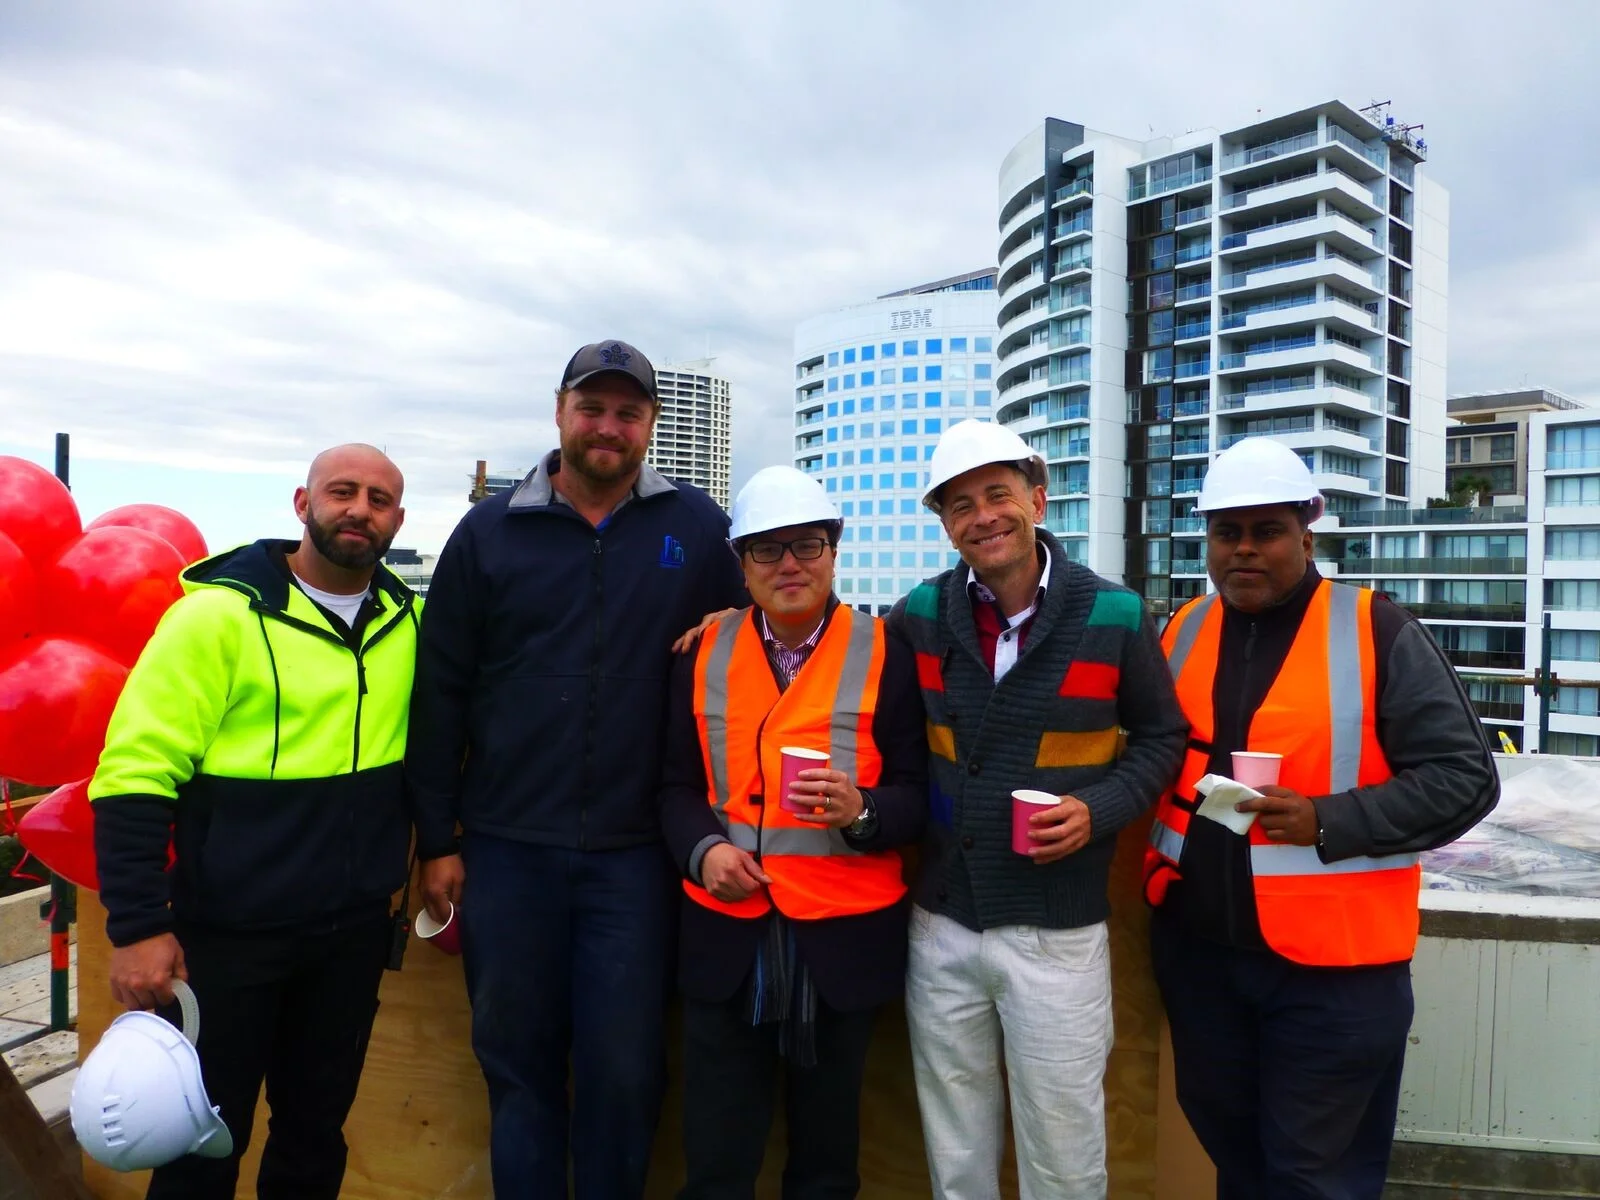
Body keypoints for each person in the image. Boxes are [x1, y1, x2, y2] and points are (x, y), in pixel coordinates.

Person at [406, 340, 747, 1198]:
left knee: (625, 1073)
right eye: (591, 408)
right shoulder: (489, 532)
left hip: (638, 856)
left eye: (628, 413)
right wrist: (438, 836)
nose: (608, 427)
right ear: (559, 412)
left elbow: (758, 654)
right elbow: (440, 692)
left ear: (651, 427)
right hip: (507, 850)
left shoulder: (700, 530)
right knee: (518, 1070)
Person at [1144, 437, 1499, 1198]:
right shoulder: (1181, 630)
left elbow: (1465, 780)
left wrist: (1328, 819)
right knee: (1235, 1159)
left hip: (1336, 976)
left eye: (1266, 531)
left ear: (1309, 532)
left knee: (1315, 1178)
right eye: (1225, 532)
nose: (1244, 550)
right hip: (1203, 958)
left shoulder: (1378, 631)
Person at [90, 444, 418, 1200]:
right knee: (200, 1142)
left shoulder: (408, 620)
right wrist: (138, 925)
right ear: (302, 504)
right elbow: (136, 772)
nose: (359, 510)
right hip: (227, 940)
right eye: (343, 492)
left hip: (350, 937)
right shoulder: (214, 617)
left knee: (314, 1137)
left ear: (397, 520)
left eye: (379, 499)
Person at [889, 419, 1187, 1200]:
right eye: (960, 505)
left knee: (1064, 1151)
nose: (982, 516)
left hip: (1057, 931)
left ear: (1038, 499)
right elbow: (834, 651)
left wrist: (1100, 807)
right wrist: (732, 619)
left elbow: (1163, 738)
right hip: (945, 923)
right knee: (955, 1154)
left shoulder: (1114, 614)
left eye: (997, 494)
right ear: (945, 524)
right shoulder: (918, 613)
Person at [659, 466, 927, 1200]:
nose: (789, 566)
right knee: (717, 1157)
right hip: (726, 938)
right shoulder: (700, 654)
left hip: (839, 944)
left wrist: (863, 812)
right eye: (766, 551)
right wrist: (703, 850)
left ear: (835, 553)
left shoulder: (885, 653)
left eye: (806, 546)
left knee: (826, 1163)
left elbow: (919, 794)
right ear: (740, 566)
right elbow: (676, 788)